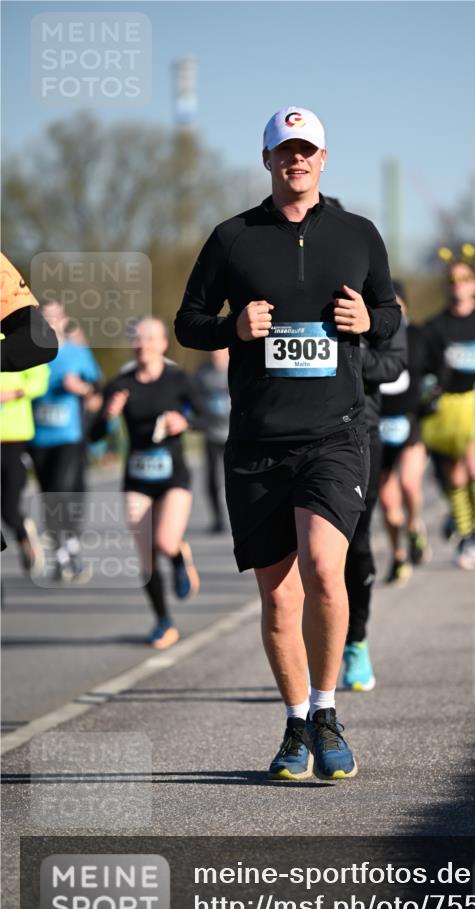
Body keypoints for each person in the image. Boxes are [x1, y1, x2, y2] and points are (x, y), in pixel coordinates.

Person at [175, 106, 400, 780]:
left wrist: (370, 317)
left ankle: (328, 712)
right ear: (267, 159)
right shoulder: (232, 237)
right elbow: (188, 321)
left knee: (324, 572)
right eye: (283, 152)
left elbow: (389, 314)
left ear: (323, 159)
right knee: (278, 598)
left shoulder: (358, 235)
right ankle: (295, 722)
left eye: (305, 151)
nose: (295, 161)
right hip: (256, 441)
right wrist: (233, 328)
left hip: (334, 434)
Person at [92, 317, 203, 648]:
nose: (144, 345)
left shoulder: (178, 379)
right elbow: (94, 436)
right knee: (145, 557)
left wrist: (183, 421)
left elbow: (203, 417)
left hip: (173, 475)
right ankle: (163, 622)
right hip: (137, 478)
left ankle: (180, 556)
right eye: (138, 339)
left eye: (150, 339)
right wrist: (108, 415)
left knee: (166, 543)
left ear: (163, 343)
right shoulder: (120, 384)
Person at [420, 253, 475, 570]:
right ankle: (466, 531)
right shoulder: (435, 327)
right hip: (449, 407)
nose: (457, 285)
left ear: (474, 286)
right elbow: (425, 366)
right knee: (454, 476)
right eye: (452, 280)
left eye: (463, 279)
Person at [343, 278, 407, 691]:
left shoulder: (379, 305)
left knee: (356, 544)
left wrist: (350, 352)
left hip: (360, 434)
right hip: (295, 434)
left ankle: (356, 642)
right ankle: (313, 647)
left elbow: (393, 365)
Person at [30, 299, 101, 582]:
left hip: (70, 435)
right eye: (46, 318)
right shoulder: (28, 353)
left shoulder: (76, 353)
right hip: (38, 436)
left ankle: (70, 544)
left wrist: (81, 388)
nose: (53, 322)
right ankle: (61, 553)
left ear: (64, 319)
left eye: (57, 317)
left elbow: (96, 388)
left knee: (64, 489)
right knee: (49, 494)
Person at [0, 253, 57, 567]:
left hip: (13, 432)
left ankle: (24, 537)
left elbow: (41, 345)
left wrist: (16, 391)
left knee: (9, 507)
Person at [378, 280, 430, 582]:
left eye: (398, 303)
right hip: (379, 423)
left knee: (410, 484)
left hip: (409, 421)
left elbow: (437, 367)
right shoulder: (370, 336)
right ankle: (398, 555)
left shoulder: (417, 336)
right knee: (387, 503)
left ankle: (415, 527)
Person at [195, 348, 230, 533]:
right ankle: (218, 519)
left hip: (233, 433)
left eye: (220, 349)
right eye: (213, 350)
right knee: (211, 480)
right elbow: (193, 399)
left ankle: (239, 516)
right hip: (211, 433)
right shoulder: (202, 373)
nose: (216, 353)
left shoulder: (236, 367)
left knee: (234, 478)